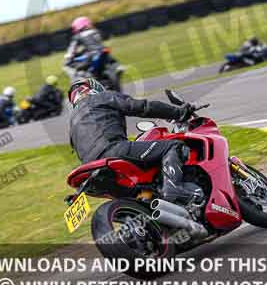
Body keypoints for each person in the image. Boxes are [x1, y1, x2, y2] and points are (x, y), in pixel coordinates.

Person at [67, 78, 201, 204]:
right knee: (173, 146)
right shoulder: (100, 97)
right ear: (92, 88)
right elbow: (142, 107)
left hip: (91, 170)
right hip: (113, 151)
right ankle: (173, 188)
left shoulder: (72, 123)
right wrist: (179, 113)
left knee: (140, 190)